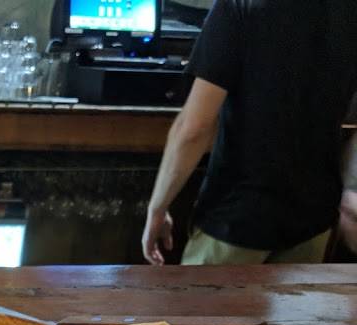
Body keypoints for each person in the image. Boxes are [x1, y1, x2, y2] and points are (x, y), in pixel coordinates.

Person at [142, 1, 357, 265]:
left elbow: (194, 128)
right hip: (314, 219)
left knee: (202, 294)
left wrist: (157, 208)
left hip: (237, 220)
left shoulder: (240, 5)